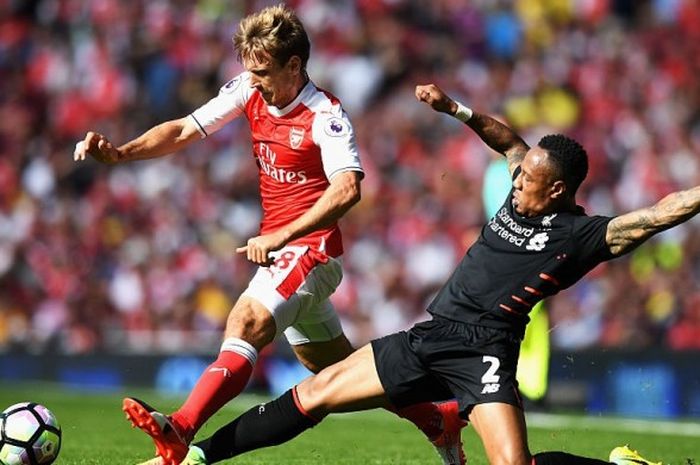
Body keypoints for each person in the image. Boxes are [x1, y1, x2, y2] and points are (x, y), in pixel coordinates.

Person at [149, 82, 675, 465]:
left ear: (557, 191)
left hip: (486, 352)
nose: (516, 183)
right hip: (431, 334)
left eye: (528, 179)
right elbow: (508, 142)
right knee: (317, 393)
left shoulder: (582, 235)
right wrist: (457, 109)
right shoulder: (524, 181)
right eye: (520, 171)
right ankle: (196, 457)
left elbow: (655, 215)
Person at [74, 6, 464, 465]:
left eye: (262, 71)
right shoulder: (248, 90)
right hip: (286, 250)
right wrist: (121, 154)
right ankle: (434, 418)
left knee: (246, 321)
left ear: (294, 66)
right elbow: (182, 129)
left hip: (311, 250)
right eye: (250, 71)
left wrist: (283, 234)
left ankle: (180, 427)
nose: (254, 80)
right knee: (335, 372)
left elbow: (348, 188)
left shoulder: (326, 115)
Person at [483, 157, 550, 406]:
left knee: (524, 322)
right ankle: (523, 388)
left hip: (524, 255)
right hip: (514, 255)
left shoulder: (512, 170)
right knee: (524, 322)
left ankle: (527, 389)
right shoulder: (495, 171)